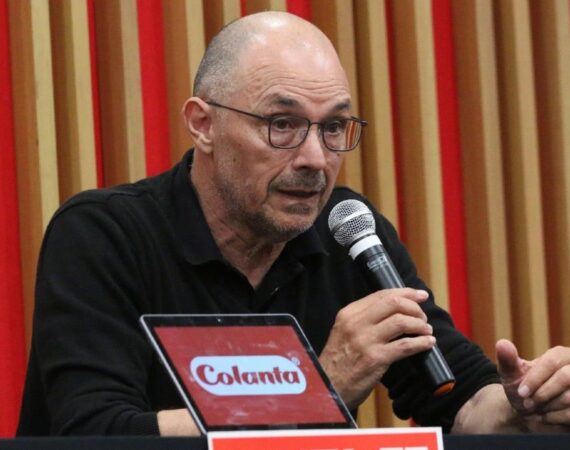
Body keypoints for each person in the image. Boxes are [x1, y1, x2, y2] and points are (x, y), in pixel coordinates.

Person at [17, 11, 570, 436]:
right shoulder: (103, 235)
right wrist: (315, 390)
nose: (315, 159)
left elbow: (460, 399)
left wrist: (523, 407)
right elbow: (96, 433)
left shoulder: (347, 233)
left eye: (333, 128)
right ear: (203, 124)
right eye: (282, 124)